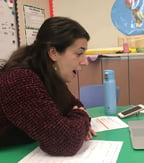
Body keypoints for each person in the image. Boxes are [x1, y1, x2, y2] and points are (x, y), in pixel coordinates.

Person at [0, 16, 96, 156]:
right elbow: (65, 142)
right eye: (79, 53)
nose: (85, 62)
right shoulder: (19, 80)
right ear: (53, 53)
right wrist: (82, 118)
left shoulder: (48, 74)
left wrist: (75, 120)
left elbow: (73, 104)